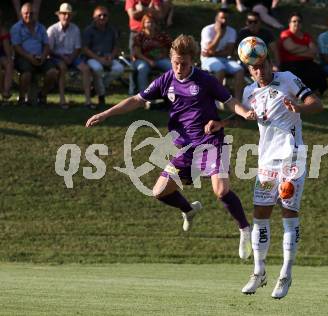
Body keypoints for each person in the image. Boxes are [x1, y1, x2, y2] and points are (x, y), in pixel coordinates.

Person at [85, 34, 255, 260]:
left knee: (221, 190)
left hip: (211, 143)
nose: (179, 67)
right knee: (159, 192)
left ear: (192, 61)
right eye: (175, 62)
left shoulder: (205, 80)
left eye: (183, 63)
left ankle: (245, 229)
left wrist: (244, 112)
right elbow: (136, 100)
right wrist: (105, 113)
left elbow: (229, 100)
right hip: (183, 149)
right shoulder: (166, 80)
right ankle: (189, 209)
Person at [240, 54, 322, 299]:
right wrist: (221, 123)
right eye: (254, 68)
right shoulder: (248, 93)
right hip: (267, 161)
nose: (260, 71)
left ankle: (286, 273)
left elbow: (317, 104)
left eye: (263, 65)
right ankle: (259, 271)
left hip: (292, 156)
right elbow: (244, 116)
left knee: (288, 210)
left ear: (269, 64)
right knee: (260, 214)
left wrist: (300, 107)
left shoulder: (287, 79)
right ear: (250, 71)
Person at [10, 2, 58, 106]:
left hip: (40, 57)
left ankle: (42, 96)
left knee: (53, 72)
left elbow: (46, 45)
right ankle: (22, 99)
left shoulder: (41, 27)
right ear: (22, 14)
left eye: (31, 13)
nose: (29, 15)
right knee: (26, 74)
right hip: (23, 57)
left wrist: (43, 56)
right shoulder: (16, 28)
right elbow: (16, 47)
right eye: (26, 13)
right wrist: (29, 57)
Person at [47, 3, 93, 109]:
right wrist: (63, 58)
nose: (66, 16)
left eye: (68, 14)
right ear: (59, 15)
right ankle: (62, 100)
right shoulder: (52, 29)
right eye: (64, 14)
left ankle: (88, 101)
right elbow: (49, 50)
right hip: (57, 57)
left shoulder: (75, 29)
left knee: (86, 69)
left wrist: (71, 58)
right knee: (62, 68)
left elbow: (78, 48)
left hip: (73, 56)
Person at [83, 5, 124, 108]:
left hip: (108, 58)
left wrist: (111, 56)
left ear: (108, 17)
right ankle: (101, 96)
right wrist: (99, 59)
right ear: (94, 16)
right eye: (99, 15)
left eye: (104, 15)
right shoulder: (89, 30)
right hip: (93, 58)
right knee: (98, 69)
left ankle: (96, 88)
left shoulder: (111, 30)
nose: (102, 17)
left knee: (119, 69)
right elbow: (85, 49)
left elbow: (116, 46)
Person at [200, 9, 245, 101]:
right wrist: (219, 35)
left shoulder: (231, 31)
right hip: (207, 60)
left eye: (226, 18)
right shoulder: (207, 30)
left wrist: (212, 53)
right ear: (216, 18)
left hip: (224, 59)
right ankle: (215, 101)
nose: (224, 21)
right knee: (220, 69)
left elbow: (228, 51)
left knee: (240, 70)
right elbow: (209, 50)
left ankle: (238, 102)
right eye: (222, 18)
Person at [279, 12, 328, 95]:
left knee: (319, 73)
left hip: (307, 63)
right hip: (290, 63)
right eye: (294, 21)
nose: (297, 23)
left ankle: (313, 98)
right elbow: (290, 48)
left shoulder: (306, 36)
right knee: (298, 76)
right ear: (289, 23)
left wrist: (296, 51)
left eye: (299, 21)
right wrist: (306, 49)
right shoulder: (286, 34)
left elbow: (314, 51)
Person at [131, 13, 172, 94]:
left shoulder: (162, 35)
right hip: (142, 59)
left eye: (153, 22)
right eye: (148, 22)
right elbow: (137, 53)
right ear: (143, 23)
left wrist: (164, 55)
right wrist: (149, 61)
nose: (151, 24)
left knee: (172, 67)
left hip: (159, 59)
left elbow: (171, 47)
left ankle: (171, 92)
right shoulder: (139, 36)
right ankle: (143, 95)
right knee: (143, 68)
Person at [0, 9, 13, 102]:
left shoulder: (2, 30)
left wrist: (10, 59)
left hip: (1, 54)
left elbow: (7, 50)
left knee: (9, 64)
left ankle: (6, 91)